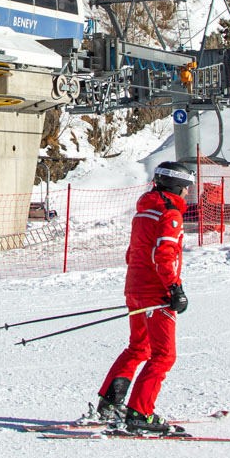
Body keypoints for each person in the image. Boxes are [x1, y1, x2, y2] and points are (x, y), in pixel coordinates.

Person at [94, 160, 194, 435]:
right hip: (155, 292)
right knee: (163, 355)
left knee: (139, 348)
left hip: (135, 289)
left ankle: (110, 403)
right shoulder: (170, 214)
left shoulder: (144, 211)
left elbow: (133, 252)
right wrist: (174, 289)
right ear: (177, 186)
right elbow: (164, 255)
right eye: (187, 187)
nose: (188, 192)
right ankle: (140, 413)